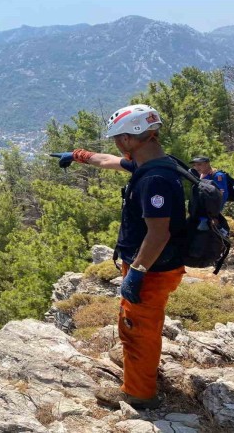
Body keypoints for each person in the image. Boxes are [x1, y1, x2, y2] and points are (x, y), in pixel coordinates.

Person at [51, 104, 186, 409]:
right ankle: (144, 369)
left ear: (128, 138)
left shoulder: (154, 180)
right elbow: (109, 161)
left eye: (116, 138)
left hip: (152, 269)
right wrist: (78, 155)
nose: (115, 145)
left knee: (136, 329)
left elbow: (159, 234)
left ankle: (138, 394)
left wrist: (136, 272)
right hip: (156, 265)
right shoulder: (155, 164)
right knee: (144, 324)